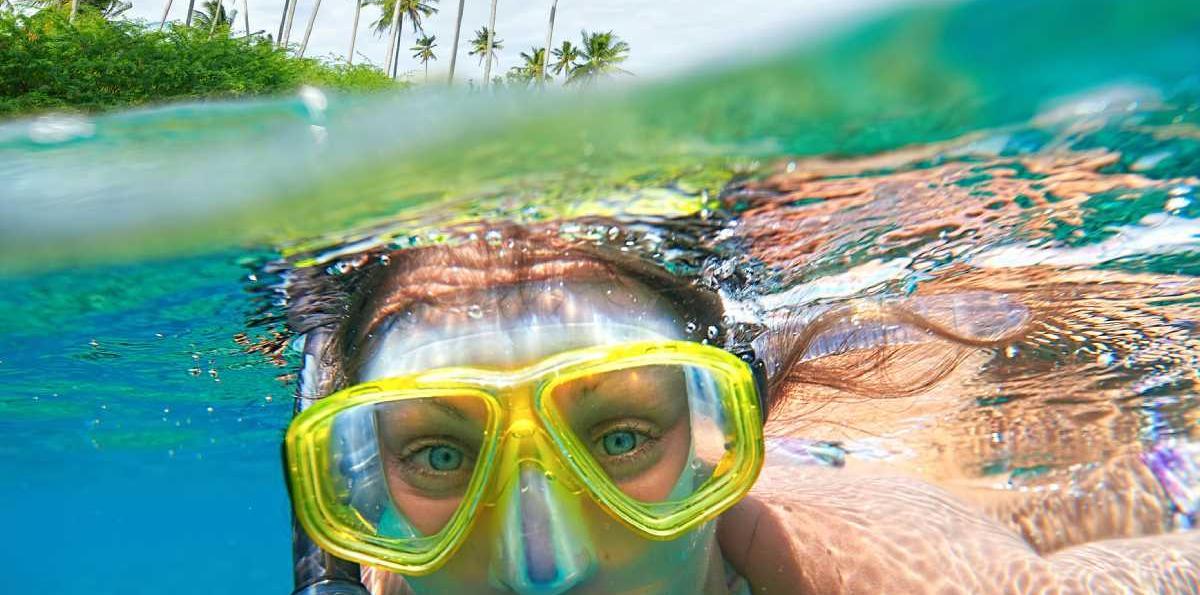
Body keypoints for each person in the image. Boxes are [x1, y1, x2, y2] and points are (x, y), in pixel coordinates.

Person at [279, 225, 1200, 594]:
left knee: (1052, 501)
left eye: (624, 433)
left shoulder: (902, 581)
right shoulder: (383, 568)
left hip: (888, 499)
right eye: (441, 455)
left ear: (729, 441)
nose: (540, 572)